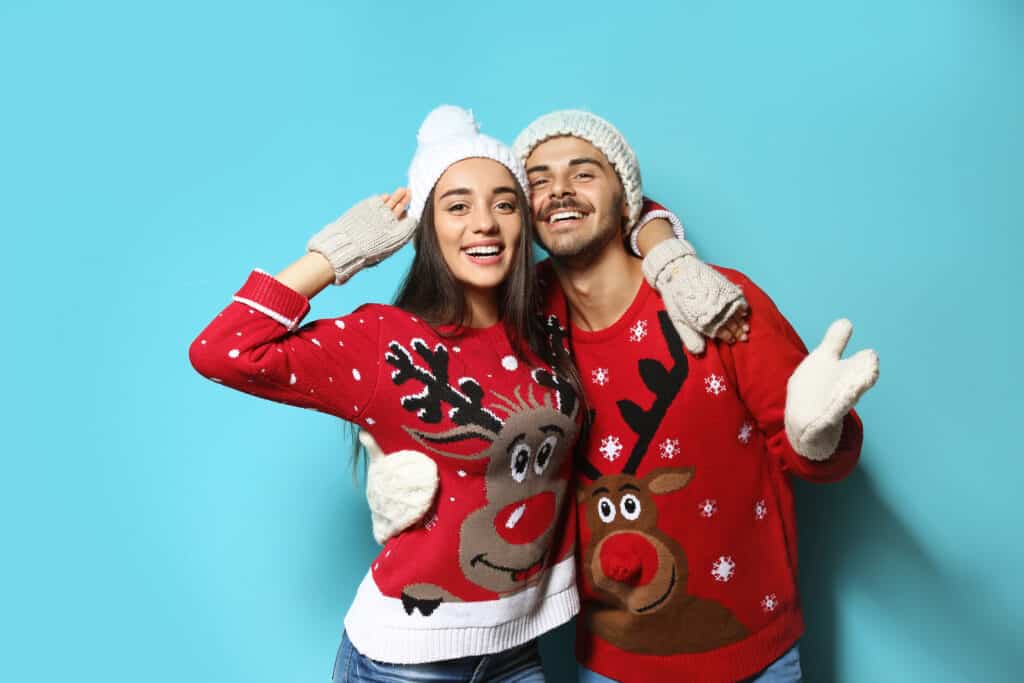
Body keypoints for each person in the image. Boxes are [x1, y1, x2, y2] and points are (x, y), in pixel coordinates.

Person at [188, 105, 744, 682]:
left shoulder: (549, 316)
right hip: (406, 661)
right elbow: (221, 349)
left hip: (520, 649)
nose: (484, 223)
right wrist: (334, 255)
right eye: (457, 207)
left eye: (504, 204)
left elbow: (624, 207)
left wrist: (671, 258)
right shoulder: (387, 340)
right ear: (427, 228)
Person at [370, 110, 880, 682]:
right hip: (611, 664)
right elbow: (425, 371)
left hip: (753, 657)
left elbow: (826, 459)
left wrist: (818, 436)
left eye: (583, 173)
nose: (559, 190)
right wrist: (385, 460)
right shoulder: (517, 324)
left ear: (624, 198)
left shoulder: (711, 301)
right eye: (537, 180)